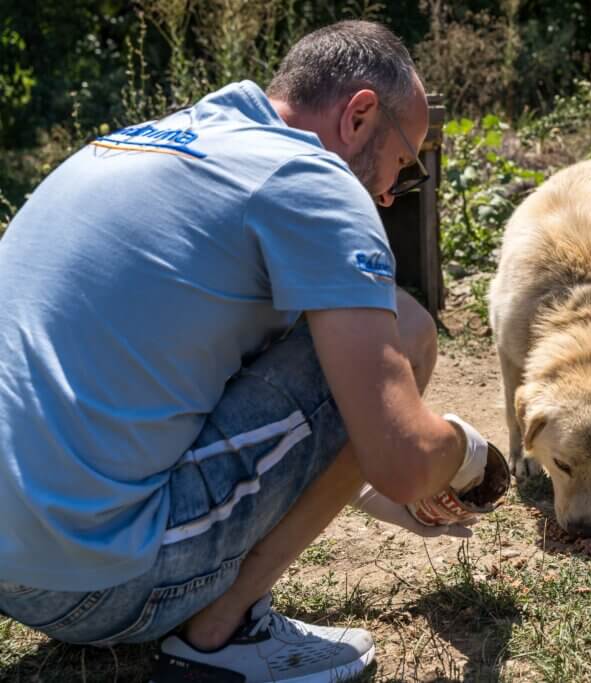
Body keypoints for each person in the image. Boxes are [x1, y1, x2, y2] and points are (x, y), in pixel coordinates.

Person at [0, 19, 491, 683]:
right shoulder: (313, 179)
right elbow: (405, 460)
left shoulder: (145, 144)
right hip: (100, 585)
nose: (386, 195)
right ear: (360, 115)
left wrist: (356, 482)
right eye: (403, 164)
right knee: (405, 327)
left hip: (15, 568)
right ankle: (223, 627)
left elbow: (184, 388)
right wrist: (466, 454)